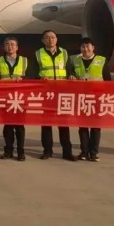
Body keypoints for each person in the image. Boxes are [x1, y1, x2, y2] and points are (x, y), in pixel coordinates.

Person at [34, 30, 75, 161]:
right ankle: (47, 151)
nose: (50, 40)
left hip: (62, 93)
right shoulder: (38, 54)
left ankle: (67, 152)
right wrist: (39, 79)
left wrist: (71, 75)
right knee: (46, 124)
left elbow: (70, 69)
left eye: (52, 37)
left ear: (56, 39)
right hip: (46, 93)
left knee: (64, 123)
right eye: (47, 38)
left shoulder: (64, 53)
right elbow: (33, 72)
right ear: (43, 40)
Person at [68, 37, 111, 161]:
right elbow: (70, 74)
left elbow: (108, 81)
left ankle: (94, 153)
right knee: (82, 126)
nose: (85, 49)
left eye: (88, 46)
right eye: (83, 47)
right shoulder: (75, 60)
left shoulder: (101, 61)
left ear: (93, 48)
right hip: (81, 98)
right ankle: (84, 152)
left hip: (97, 99)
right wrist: (71, 76)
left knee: (95, 127)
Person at [0, 36, 28, 161]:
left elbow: (31, 76)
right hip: (5, 97)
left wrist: (23, 79)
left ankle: (21, 152)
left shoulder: (25, 60)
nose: (10, 47)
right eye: (7, 44)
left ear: (17, 47)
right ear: (4, 47)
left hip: (20, 97)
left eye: (12, 44)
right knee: (8, 126)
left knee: (19, 127)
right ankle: (8, 151)